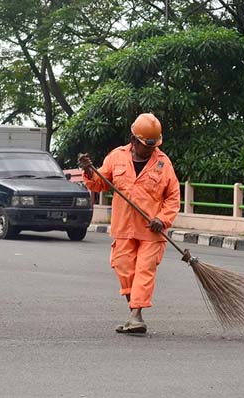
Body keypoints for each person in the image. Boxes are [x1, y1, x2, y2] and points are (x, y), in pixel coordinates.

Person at [78, 113, 181, 334]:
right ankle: (134, 312)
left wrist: (162, 220)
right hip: (124, 227)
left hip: (151, 231)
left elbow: (173, 197)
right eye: (146, 145)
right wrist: (88, 170)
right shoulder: (116, 157)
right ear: (134, 140)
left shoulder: (163, 163)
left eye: (154, 145)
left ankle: (136, 316)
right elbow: (99, 184)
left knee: (144, 271)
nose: (151, 149)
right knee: (125, 269)